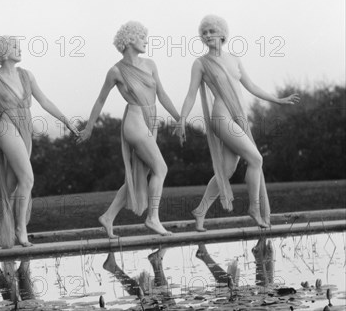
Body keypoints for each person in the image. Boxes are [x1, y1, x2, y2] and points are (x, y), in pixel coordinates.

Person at [177, 15, 299, 231]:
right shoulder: (200, 63)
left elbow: (251, 86)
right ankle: (254, 208)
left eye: (211, 31)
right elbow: (190, 95)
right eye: (204, 32)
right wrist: (182, 119)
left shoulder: (234, 58)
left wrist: (277, 100)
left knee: (227, 169)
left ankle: (200, 211)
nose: (207, 35)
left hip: (238, 117)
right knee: (256, 158)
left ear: (222, 34)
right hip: (221, 117)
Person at [0, 36, 78, 249]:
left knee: (10, 184)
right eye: (15, 47)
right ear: (4, 52)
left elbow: (44, 101)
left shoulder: (26, 75)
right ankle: (21, 229)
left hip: (25, 129)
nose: (20, 49)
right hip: (6, 128)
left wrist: (66, 121)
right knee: (27, 179)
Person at [78, 21, 180, 237]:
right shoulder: (115, 71)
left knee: (137, 176)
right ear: (130, 39)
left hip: (151, 120)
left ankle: (107, 217)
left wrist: (179, 119)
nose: (146, 40)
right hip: (134, 121)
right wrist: (88, 128)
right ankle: (153, 218)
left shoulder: (151, 64)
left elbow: (162, 95)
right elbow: (100, 100)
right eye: (142, 37)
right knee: (161, 169)